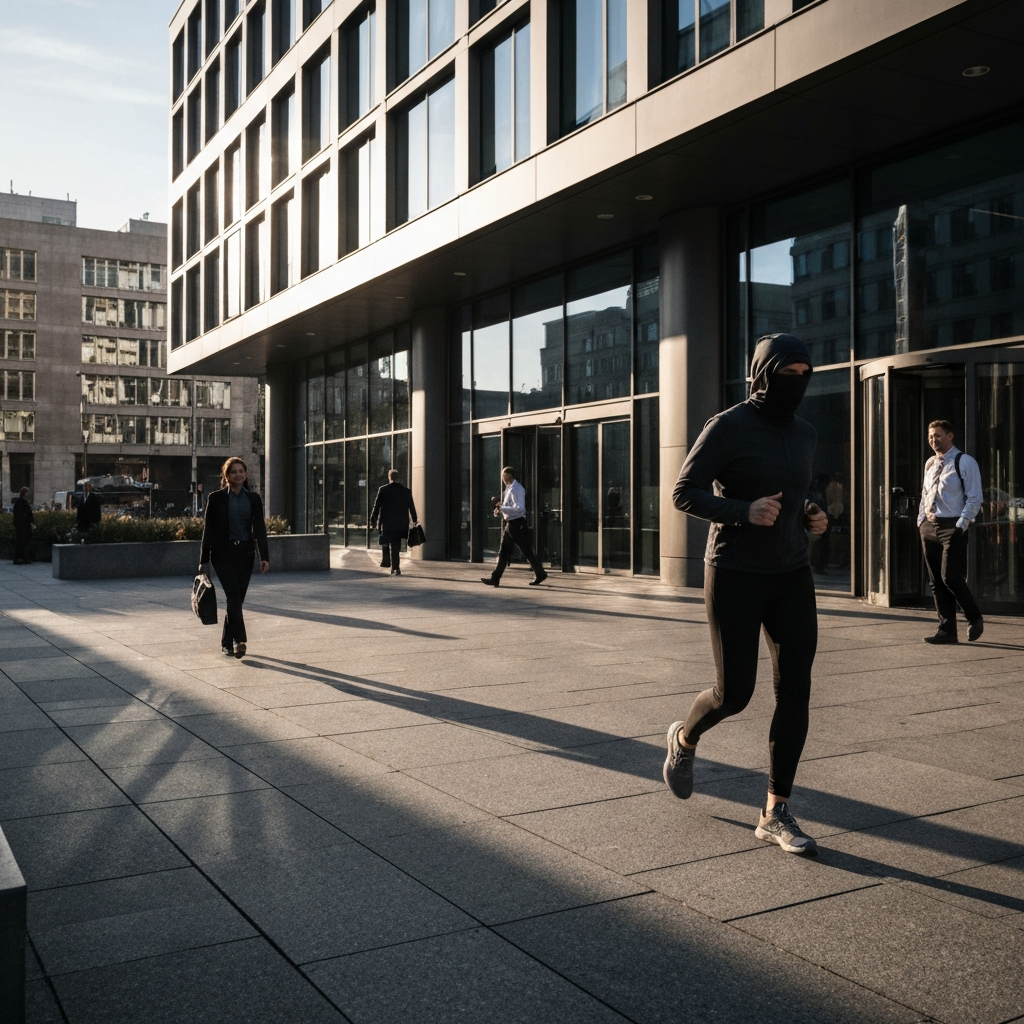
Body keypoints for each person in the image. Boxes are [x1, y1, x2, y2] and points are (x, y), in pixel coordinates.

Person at [663, 333, 828, 856]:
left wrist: (811, 514)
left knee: (795, 690)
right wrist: (743, 511)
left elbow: (796, 491)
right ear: (763, 373)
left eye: (805, 374)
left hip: (791, 574)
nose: (796, 383)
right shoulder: (727, 426)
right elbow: (683, 492)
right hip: (734, 571)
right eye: (787, 373)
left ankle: (775, 810)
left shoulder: (803, 432)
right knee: (734, 694)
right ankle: (684, 739)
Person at [917, 419, 983, 644]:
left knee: (950, 577)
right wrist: (921, 521)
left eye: (937, 435)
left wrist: (961, 524)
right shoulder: (930, 464)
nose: (933, 440)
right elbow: (925, 493)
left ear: (950, 436)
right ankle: (947, 630)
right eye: (930, 436)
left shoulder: (964, 462)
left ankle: (974, 617)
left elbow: (975, 497)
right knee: (935, 581)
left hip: (951, 526)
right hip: (928, 526)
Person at [200, 456, 269, 658]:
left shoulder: (254, 499)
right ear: (227, 475)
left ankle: (226, 643)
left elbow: (260, 529)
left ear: (246, 474)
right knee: (233, 597)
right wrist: (203, 560)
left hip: (245, 554)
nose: (238, 474)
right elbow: (208, 530)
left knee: (236, 600)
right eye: (234, 472)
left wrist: (264, 556)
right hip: (223, 554)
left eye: (241, 471)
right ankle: (240, 640)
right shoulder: (216, 498)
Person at [481, 467, 548, 587]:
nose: (502, 478)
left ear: (508, 476)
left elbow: (520, 508)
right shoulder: (508, 489)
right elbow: (508, 506)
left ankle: (540, 573)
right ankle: (495, 578)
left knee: (523, 550)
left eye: (503, 476)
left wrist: (503, 508)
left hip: (517, 524)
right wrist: (499, 509)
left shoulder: (517, 489)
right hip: (511, 524)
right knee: (507, 551)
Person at [370, 469, 418, 576]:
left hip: (387, 523)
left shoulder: (383, 490)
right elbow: (411, 507)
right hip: (401, 523)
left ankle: (387, 563)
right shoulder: (406, 491)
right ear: (398, 477)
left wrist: (373, 519)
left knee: (386, 541)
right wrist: (415, 520)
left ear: (389, 477)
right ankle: (396, 568)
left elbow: (376, 506)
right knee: (396, 545)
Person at [12, 487, 33, 565]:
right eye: (27, 492)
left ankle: (20, 557)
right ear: (24, 493)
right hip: (23, 525)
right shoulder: (21, 502)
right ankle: (20, 557)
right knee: (22, 541)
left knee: (21, 541)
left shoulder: (21, 502)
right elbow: (23, 513)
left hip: (22, 525)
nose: (29, 494)